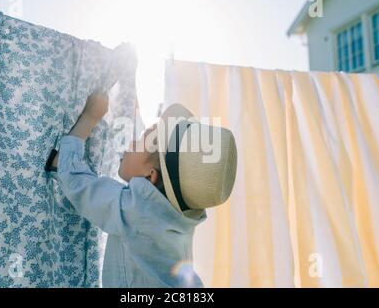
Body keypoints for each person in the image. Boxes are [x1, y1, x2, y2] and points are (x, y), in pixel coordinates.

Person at [47, 92, 238, 287]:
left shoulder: (136, 210)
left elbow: (77, 183)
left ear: (150, 176)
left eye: (139, 141)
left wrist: (89, 118)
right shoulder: (179, 222)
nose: (131, 143)